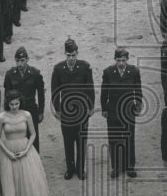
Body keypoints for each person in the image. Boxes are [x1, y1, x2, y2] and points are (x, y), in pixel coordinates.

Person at [0, 92, 49, 196]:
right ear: (8, 103)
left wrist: (26, 151)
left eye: (16, 103)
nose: (14, 107)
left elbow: (33, 134)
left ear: (20, 102)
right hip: (8, 151)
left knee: (23, 181)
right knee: (9, 180)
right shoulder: (2, 116)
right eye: (11, 104)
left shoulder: (26, 115)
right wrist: (7, 152)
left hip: (24, 150)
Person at [51, 38, 95, 180]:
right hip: (66, 111)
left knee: (81, 140)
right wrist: (58, 109)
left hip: (82, 111)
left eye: (73, 55)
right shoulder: (58, 69)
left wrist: (90, 107)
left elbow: (90, 89)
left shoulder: (84, 68)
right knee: (68, 141)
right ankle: (70, 169)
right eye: (68, 55)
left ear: (77, 53)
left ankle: (80, 169)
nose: (71, 58)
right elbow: (55, 91)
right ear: (65, 54)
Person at [100, 47, 142, 179]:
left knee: (129, 138)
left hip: (128, 110)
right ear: (115, 60)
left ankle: (130, 166)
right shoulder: (108, 72)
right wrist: (104, 109)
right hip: (113, 111)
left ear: (127, 60)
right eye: (118, 60)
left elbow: (138, 90)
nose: (121, 63)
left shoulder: (134, 71)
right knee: (114, 139)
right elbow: (104, 92)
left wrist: (138, 105)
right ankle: (116, 167)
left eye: (123, 60)